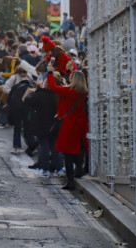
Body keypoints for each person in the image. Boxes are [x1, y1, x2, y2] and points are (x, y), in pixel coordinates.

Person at [46, 62, 88, 190]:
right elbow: (76, 78)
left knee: (68, 153)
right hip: (80, 123)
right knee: (77, 149)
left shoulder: (68, 91)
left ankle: (70, 181)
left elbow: (53, 86)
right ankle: (80, 168)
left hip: (68, 123)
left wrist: (49, 72)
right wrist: (71, 70)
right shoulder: (83, 92)